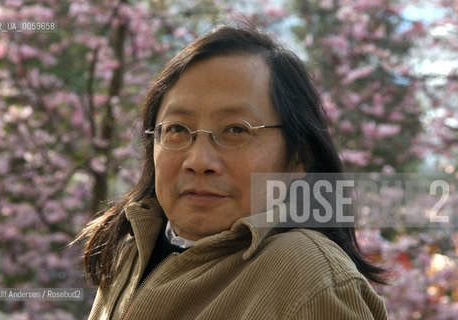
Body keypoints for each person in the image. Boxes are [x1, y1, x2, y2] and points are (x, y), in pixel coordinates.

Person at [79, 24, 388, 319]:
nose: (199, 161)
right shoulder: (131, 251)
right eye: (176, 129)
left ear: (297, 160)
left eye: (236, 130)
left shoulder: (306, 275)